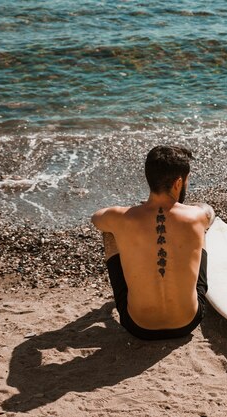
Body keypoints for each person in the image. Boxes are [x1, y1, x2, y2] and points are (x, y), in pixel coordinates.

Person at [91, 145, 215, 340]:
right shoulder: (196, 216)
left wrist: (131, 214)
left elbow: (96, 218)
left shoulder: (122, 217)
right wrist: (193, 208)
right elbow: (209, 212)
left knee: (110, 231)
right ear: (178, 182)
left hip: (138, 326)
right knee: (201, 231)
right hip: (188, 322)